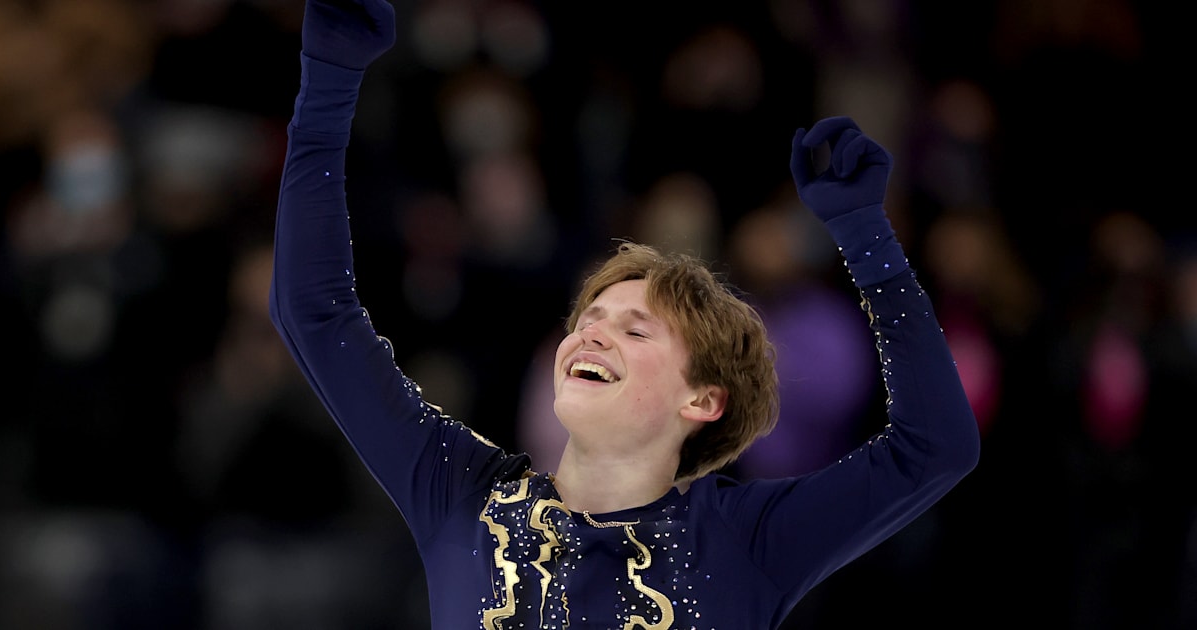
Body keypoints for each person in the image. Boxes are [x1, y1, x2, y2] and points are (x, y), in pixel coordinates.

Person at [268, 2, 982, 628]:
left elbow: (935, 446)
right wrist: (328, 81)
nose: (592, 331)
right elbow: (315, 313)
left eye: (635, 329)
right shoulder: (461, 493)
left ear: (702, 398)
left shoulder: (747, 541)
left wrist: (866, 236)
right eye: (591, 315)